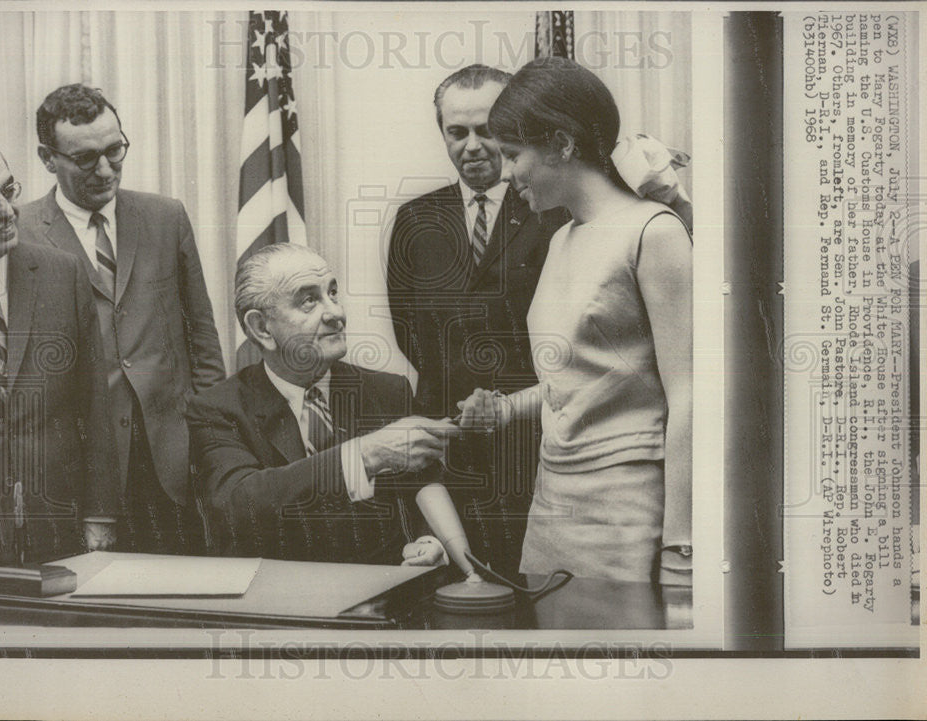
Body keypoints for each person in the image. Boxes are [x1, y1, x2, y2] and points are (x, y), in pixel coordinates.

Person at [459, 57, 693, 585]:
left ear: (562, 144)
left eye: (514, 155)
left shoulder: (653, 232)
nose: (506, 173)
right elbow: (582, 380)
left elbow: (691, 397)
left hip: (626, 519)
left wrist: (683, 547)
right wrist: (503, 410)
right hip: (551, 513)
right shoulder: (562, 237)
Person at [17, 84, 226, 555]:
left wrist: (215, 445)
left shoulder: (165, 216)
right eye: (86, 158)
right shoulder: (20, 234)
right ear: (48, 158)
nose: (106, 169)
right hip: (80, 470)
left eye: (115, 150)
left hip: (172, 460)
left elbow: (203, 341)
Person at [386, 65, 568, 576]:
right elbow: (409, 330)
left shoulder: (552, 210)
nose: (472, 146)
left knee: (532, 589)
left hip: (536, 444)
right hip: (446, 448)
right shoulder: (416, 219)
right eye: (456, 132)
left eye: (486, 130)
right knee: (455, 587)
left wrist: (509, 401)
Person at [187, 243, 457, 564]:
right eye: (309, 300)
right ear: (261, 328)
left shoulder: (387, 390)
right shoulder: (217, 409)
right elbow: (239, 508)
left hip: (375, 596)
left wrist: (430, 542)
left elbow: (422, 487)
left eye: (333, 293)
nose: (336, 313)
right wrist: (364, 455)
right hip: (280, 599)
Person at [0, 137, 119, 581]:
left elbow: (94, 403)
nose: (6, 210)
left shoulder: (61, 272)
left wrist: (100, 514)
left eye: (9, 189)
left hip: (57, 525)